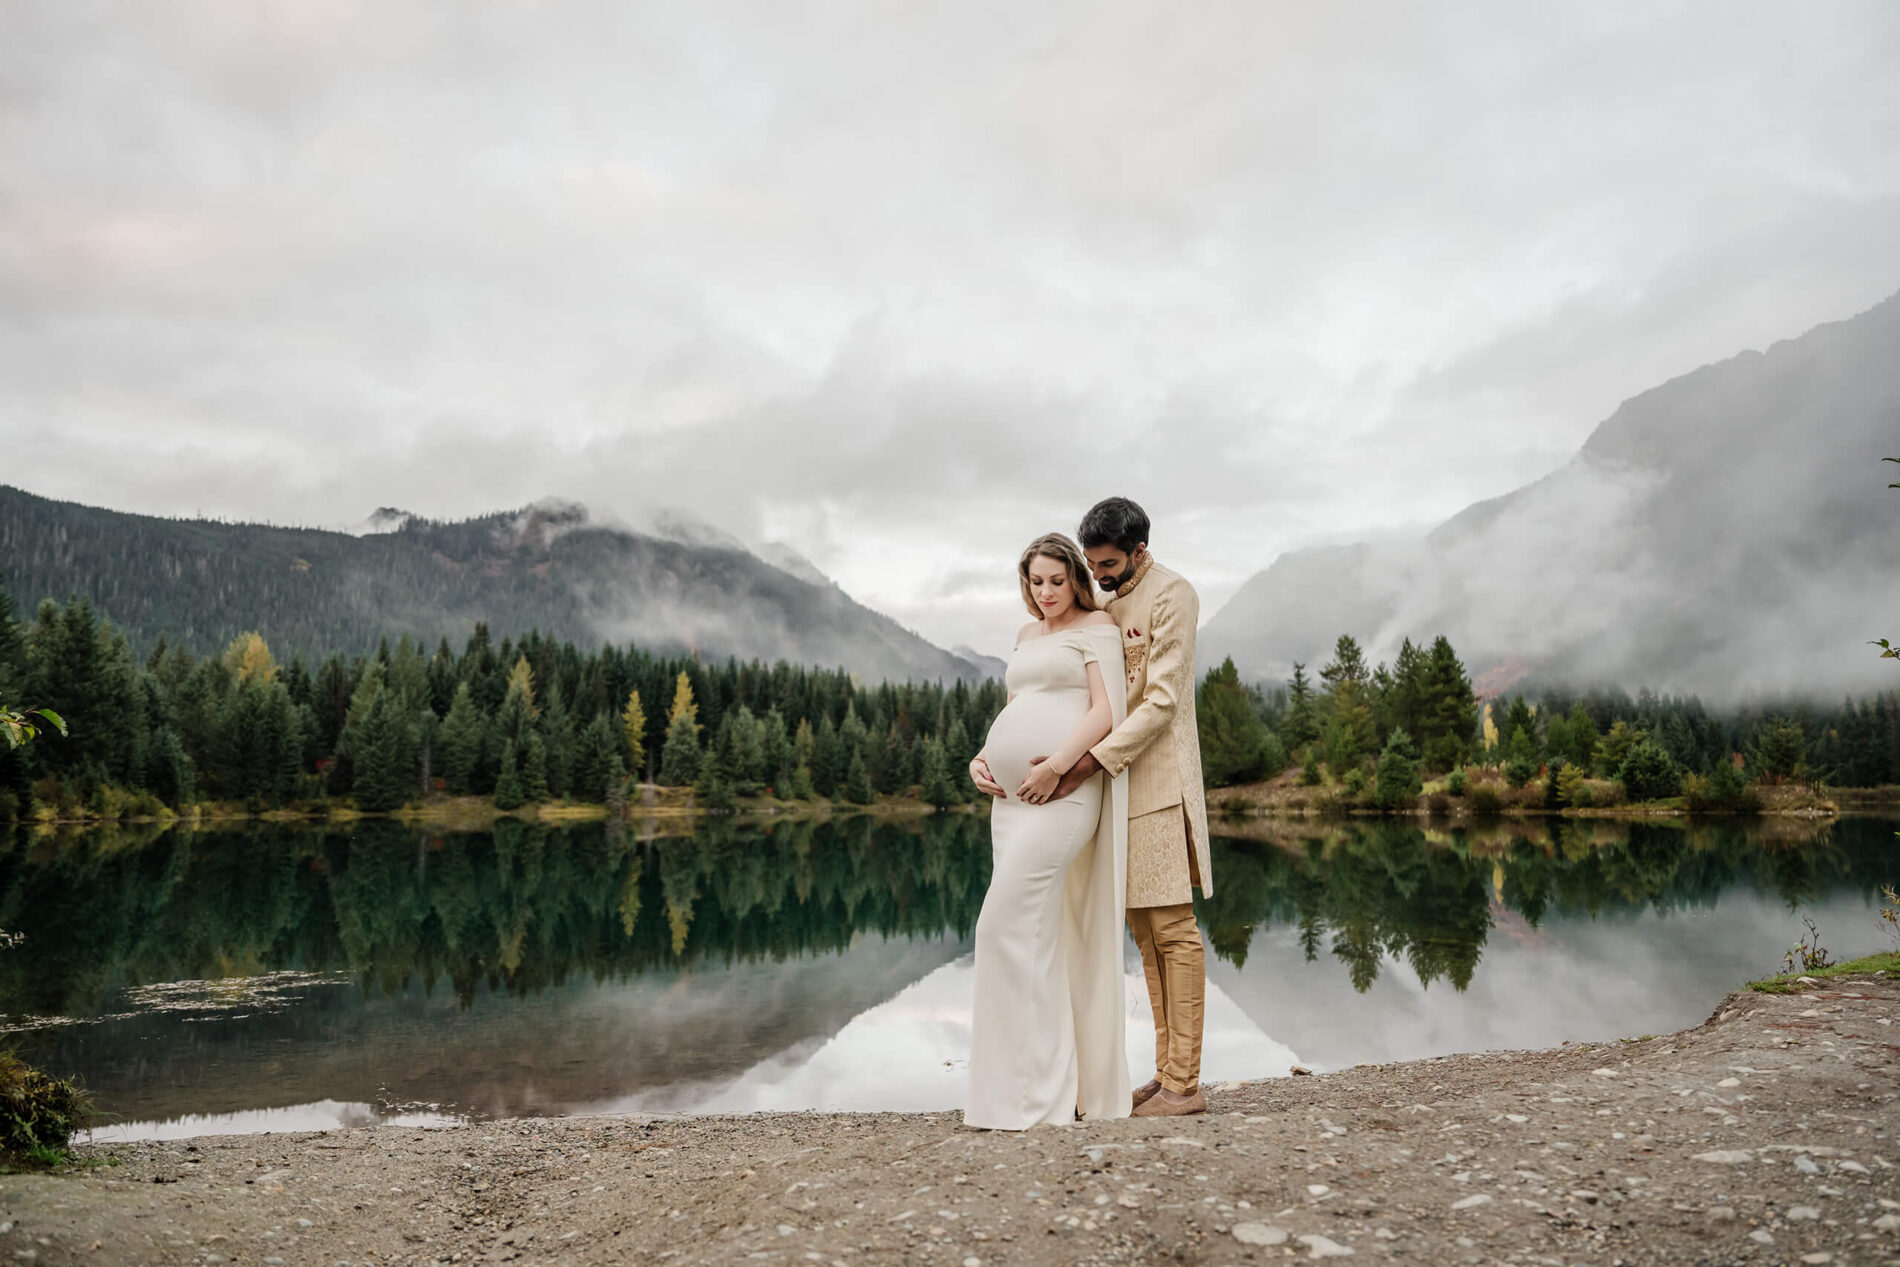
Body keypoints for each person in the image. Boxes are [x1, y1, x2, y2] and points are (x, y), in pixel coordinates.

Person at [1044, 496, 1213, 1117]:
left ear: (1139, 550)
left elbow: (1163, 699)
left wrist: (1084, 763)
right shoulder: (1110, 608)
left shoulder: (1174, 595)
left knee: (1174, 932)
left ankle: (1185, 1086)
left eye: (1108, 563)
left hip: (1160, 786)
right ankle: (1167, 1074)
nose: (1099, 575)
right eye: (1091, 565)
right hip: (1120, 790)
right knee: (1144, 937)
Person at [963, 533, 1132, 1130]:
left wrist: (1058, 765)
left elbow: (1106, 711)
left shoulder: (1098, 628)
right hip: (1008, 805)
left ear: (1076, 579)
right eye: (1036, 582)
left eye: (1057, 581)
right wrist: (981, 758)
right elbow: (1015, 705)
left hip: (1062, 798)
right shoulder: (1025, 635)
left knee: (1000, 924)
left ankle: (1038, 1096)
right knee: (1032, 936)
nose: (1046, 592)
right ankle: (1012, 1092)